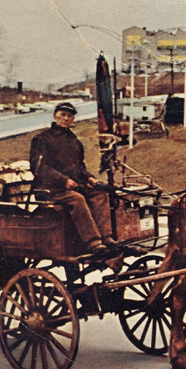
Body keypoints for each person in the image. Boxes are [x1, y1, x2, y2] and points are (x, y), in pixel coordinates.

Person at [30, 102, 115, 255]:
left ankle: (106, 238)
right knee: (77, 200)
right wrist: (63, 181)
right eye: (63, 114)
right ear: (55, 115)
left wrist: (89, 178)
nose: (66, 118)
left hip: (73, 186)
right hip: (50, 189)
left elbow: (79, 167)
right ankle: (93, 243)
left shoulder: (74, 141)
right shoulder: (42, 139)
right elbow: (39, 168)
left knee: (99, 195)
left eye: (70, 116)